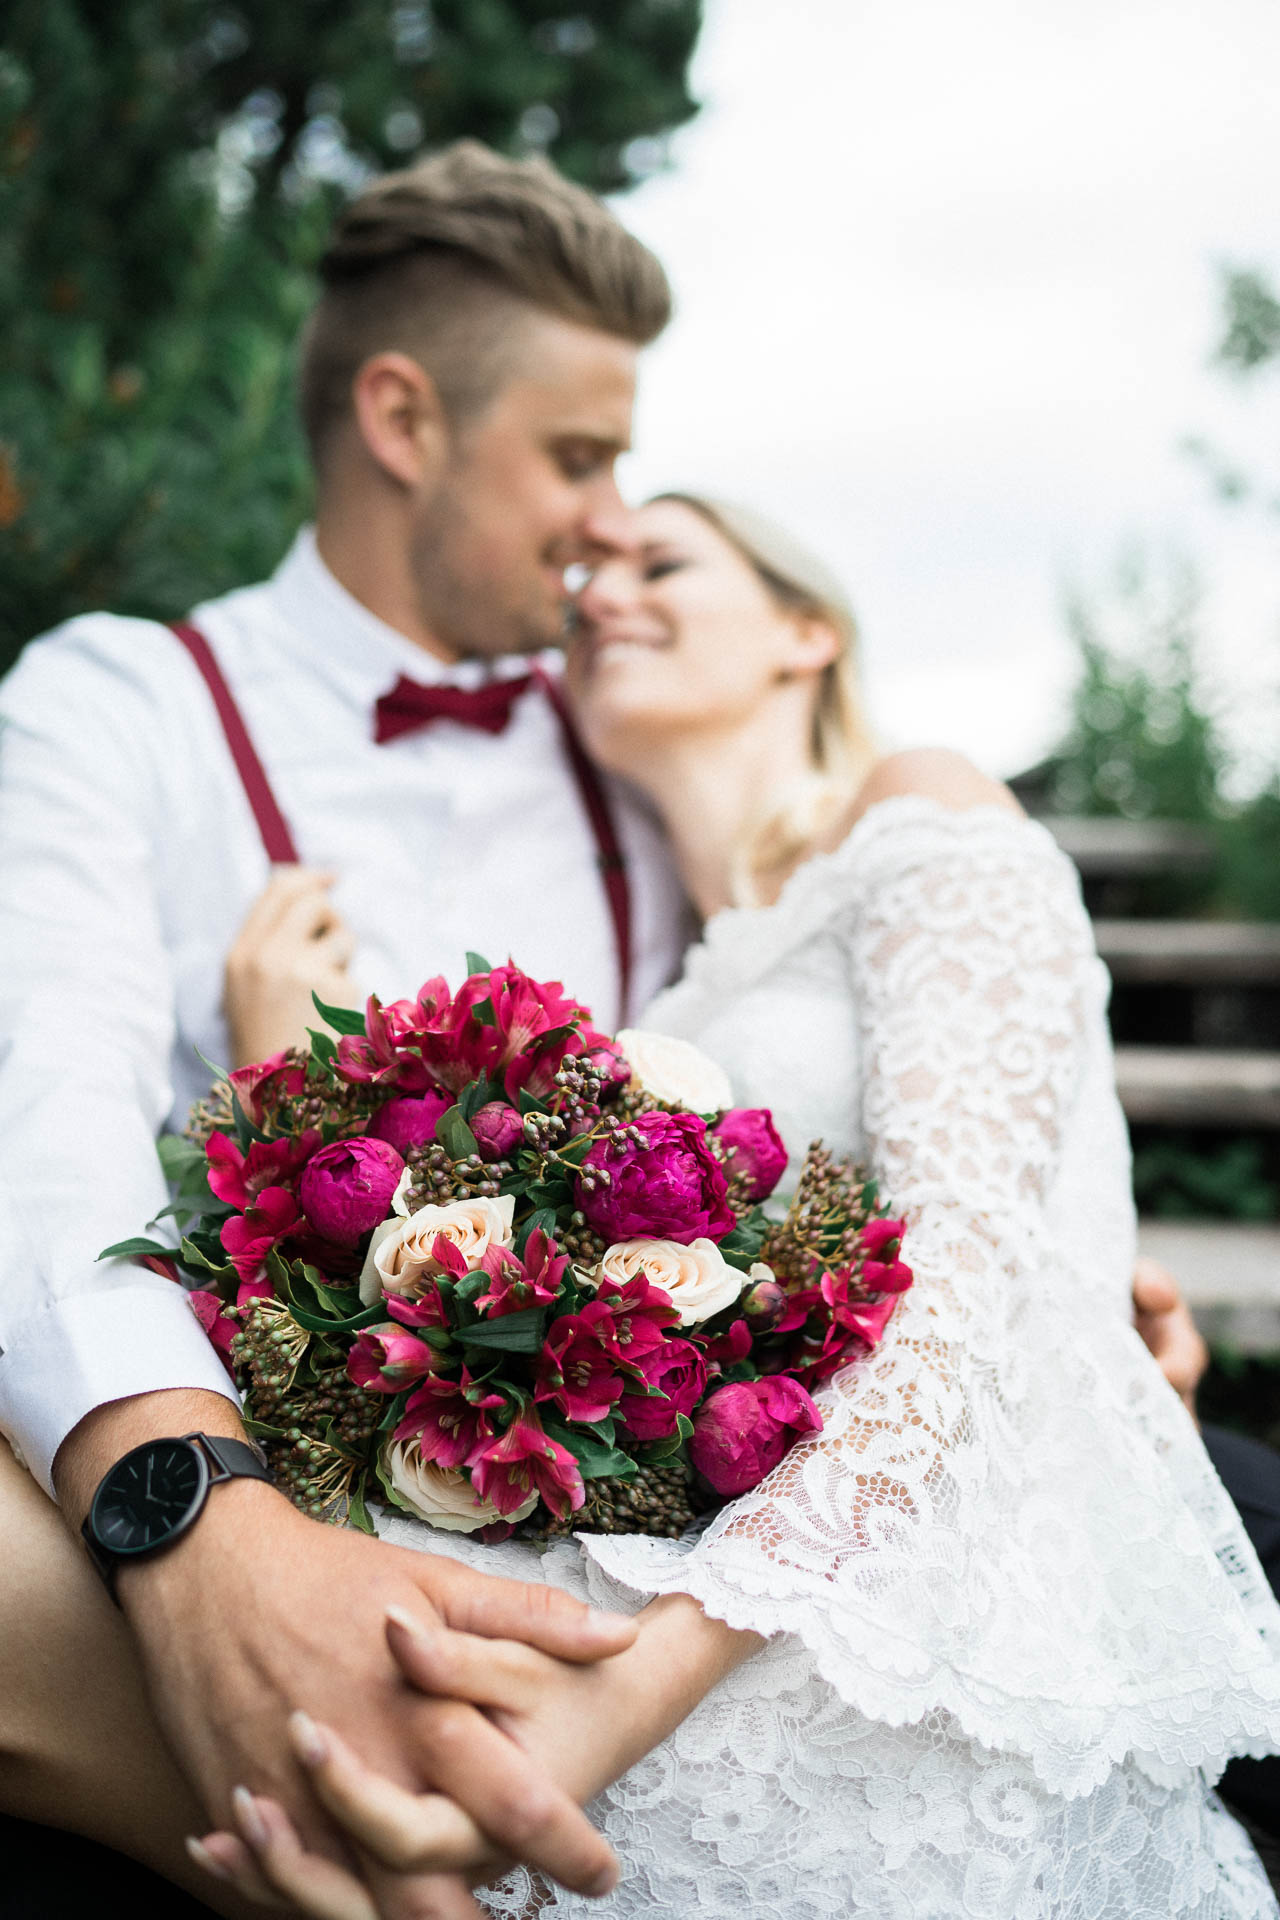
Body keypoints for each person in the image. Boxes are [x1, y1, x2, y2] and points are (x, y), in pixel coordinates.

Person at [187, 495, 1280, 1919]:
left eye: (661, 562)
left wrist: (635, 1688)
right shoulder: (672, 1003)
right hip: (754, 1555)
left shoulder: (922, 803)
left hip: (921, 1588)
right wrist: (289, 1086)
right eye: (585, 577)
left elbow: (969, 1262)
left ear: (805, 633)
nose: (600, 596)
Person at [0, 141, 692, 1918]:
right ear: (401, 418)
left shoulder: (647, 734)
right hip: (256, 1530)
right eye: (579, 456)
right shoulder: (119, 708)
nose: (616, 519)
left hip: (653, 1579)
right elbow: (39, 1113)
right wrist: (196, 1521)